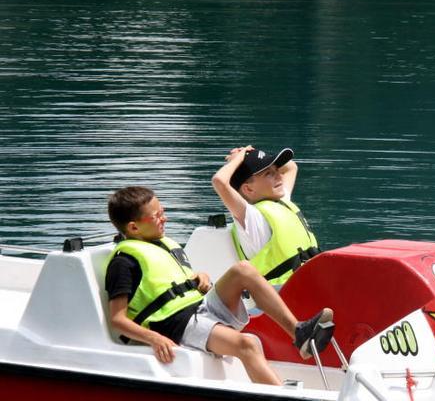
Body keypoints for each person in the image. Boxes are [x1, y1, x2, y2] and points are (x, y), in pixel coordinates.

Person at [105, 186, 334, 385]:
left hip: (200, 307)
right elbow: (118, 319)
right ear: (134, 228)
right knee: (248, 344)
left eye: (163, 212)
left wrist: (198, 278)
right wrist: (153, 338)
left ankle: (299, 332)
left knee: (243, 270)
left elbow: (165, 283)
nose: (164, 218)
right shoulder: (123, 263)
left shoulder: (160, 244)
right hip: (177, 325)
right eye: (156, 216)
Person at [212, 146, 319, 287]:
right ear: (248, 189)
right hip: (282, 292)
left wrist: (254, 153)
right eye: (269, 173)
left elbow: (291, 167)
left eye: (276, 170)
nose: (279, 176)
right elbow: (219, 182)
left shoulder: (281, 201)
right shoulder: (250, 217)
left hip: (310, 281)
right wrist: (239, 158)